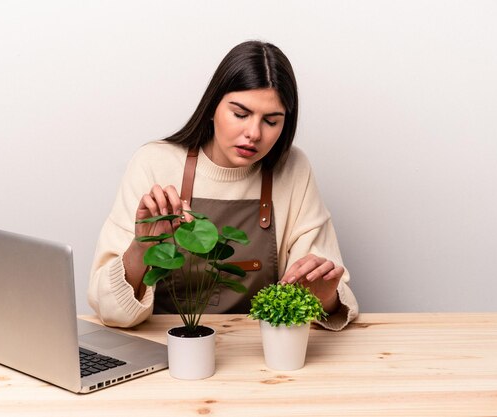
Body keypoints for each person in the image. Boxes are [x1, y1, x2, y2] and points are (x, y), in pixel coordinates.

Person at [88, 40, 358, 331]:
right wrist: (141, 249)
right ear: (211, 107)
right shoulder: (153, 163)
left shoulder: (293, 169)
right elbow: (109, 310)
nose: (253, 133)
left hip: (258, 354)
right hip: (164, 351)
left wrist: (325, 296)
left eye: (271, 121)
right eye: (240, 114)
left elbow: (331, 293)